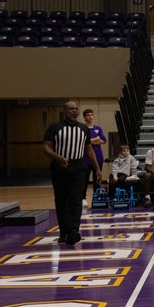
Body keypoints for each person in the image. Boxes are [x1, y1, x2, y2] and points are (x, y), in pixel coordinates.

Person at [43, 101, 101, 246]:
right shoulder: (55, 127)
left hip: (78, 167)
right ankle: (64, 231)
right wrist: (57, 157)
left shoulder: (83, 128)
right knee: (61, 199)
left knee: (76, 200)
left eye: (76, 109)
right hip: (59, 167)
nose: (74, 111)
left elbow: (89, 150)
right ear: (64, 111)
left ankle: (74, 230)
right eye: (71, 109)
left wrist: (97, 169)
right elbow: (45, 147)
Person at [82, 108, 107, 207]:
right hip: (86, 158)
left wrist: (91, 141)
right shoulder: (83, 128)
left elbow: (103, 140)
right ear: (84, 117)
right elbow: (83, 142)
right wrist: (96, 139)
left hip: (98, 157)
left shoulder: (98, 128)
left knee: (97, 178)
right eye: (88, 115)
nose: (90, 117)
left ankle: (96, 198)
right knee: (85, 179)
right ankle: (83, 198)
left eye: (92, 115)